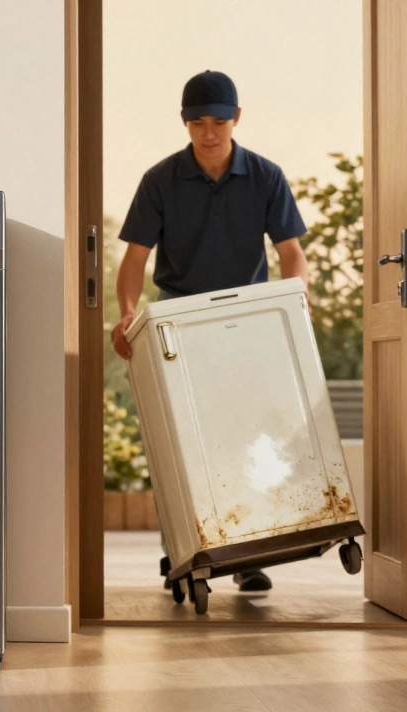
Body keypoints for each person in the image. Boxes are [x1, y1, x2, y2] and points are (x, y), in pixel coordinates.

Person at [112, 70, 310, 593]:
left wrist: (295, 300)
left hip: (247, 321)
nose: (209, 132)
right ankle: (179, 550)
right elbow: (135, 258)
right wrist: (128, 312)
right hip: (179, 320)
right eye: (197, 122)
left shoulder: (267, 176)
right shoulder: (160, 179)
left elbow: (293, 255)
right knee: (182, 442)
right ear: (185, 124)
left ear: (236, 118)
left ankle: (247, 555)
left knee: (246, 435)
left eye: (219, 120)